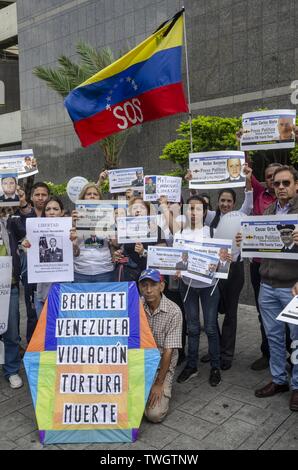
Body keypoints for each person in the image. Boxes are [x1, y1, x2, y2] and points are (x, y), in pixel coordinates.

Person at [237, 166, 298, 411]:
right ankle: (279, 380)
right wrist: (245, 241)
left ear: (296, 185)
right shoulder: (270, 210)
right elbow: (261, 244)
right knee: (273, 337)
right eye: (277, 184)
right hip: (267, 285)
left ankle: (297, 386)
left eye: (286, 183)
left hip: (292, 288)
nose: (281, 187)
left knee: (296, 340)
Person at [171, 195, 222, 387]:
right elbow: (177, 260)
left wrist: (220, 264)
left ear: (205, 211)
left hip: (209, 286)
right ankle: (191, 366)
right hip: (188, 286)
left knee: (210, 327)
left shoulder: (213, 232)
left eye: (198, 209)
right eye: (191, 208)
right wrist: (176, 270)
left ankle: (215, 367)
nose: (194, 212)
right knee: (192, 328)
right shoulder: (180, 234)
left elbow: (224, 259)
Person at [138, 269, 182, 423]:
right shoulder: (136, 305)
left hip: (161, 366)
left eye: (153, 285)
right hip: (139, 365)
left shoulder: (174, 311)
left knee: (154, 415)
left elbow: (169, 352)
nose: (148, 290)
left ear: (162, 286)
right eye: (144, 285)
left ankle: (158, 389)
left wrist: (158, 384)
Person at [72, 183, 115, 283]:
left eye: (95, 194)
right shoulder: (75, 216)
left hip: (104, 269)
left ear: (100, 198)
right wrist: (73, 224)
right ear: (83, 198)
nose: (92, 196)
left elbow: (115, 243)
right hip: (81, 270)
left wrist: (113, 224)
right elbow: (72, 244)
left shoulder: (107, 215)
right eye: (88, 194)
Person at [0, 209, 22, 389]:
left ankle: (12, 370)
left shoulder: (10, 222)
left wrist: (20, 203)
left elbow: (26, 232)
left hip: (9, 284)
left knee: (12, 332)